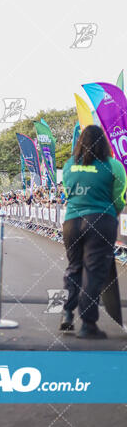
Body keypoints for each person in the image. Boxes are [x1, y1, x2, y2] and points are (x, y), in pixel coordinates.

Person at [60, 125, 126, 339]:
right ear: (104, 144)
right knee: (94, 271)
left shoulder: (69, 165)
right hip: (100, 220)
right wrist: (111, 213)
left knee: (74, 267)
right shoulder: (113, 166)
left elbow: (68, 191)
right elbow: (120, 196)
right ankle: (88, 324)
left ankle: (67, 314)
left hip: (71, 221)